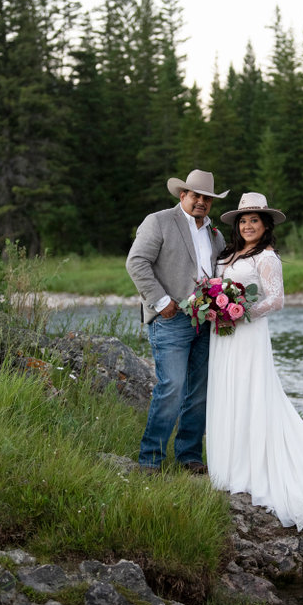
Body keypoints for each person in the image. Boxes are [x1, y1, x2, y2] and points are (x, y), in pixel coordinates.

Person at [206, 192, 303, 530]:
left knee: (249, 390)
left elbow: (276, 299)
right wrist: (215, 306)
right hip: (222, 335)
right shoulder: (229, 253)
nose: (247, 225)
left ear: (265, 225)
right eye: (243, 220)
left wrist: (239, 313)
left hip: (247, 332)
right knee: (226, 391)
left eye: (254, 220)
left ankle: (254, 466)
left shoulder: (267, 257)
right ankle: (228, 465)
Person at [126, 169, 229, 474]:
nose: (201, 202)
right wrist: (162, 302)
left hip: (206, 321)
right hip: (171, 319)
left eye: (207, 198)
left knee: (198, 391)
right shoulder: (158, 221)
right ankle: (150, 460)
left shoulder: (215, 234)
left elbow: (218, 276)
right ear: (182, 195)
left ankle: (189, 456)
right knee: (171, 387)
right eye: (196, 196)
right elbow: (136, 262)